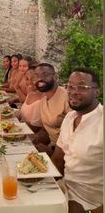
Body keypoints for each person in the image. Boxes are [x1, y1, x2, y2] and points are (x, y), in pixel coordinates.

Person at [51, 68, 103, 213]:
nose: (73, 91)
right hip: (64, 191)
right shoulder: (70, 117)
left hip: (91, 203)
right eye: (70, 86)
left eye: (81, 87)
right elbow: (58, 159)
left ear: (97, 91)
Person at [31, 63, 71, 151]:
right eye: (37, 76)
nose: (40, 79)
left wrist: (51, 151)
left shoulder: (67, 98)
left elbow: (74, 136)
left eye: (45, 75)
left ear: (55, 77)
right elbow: (46, 129)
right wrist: (37, 139)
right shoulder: (43, 99)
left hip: (65, 153)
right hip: (51, 146)